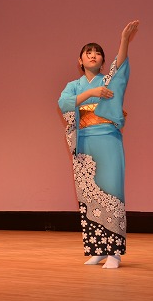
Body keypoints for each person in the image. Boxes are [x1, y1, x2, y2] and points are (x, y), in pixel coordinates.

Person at [58, 20, 139, 268]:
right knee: (88, 196)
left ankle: (113, 252)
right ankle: (98, 249)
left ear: (103, 61)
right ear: (80, 60)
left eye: (98, 53)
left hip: (108, 140)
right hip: (85, 143)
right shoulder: (74, 86)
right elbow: (64, 103)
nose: (93, 55)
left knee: (111, 193)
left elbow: (121, 66)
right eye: (88, 53)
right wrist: (90, 94)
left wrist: (124, 41)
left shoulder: (108, 80)